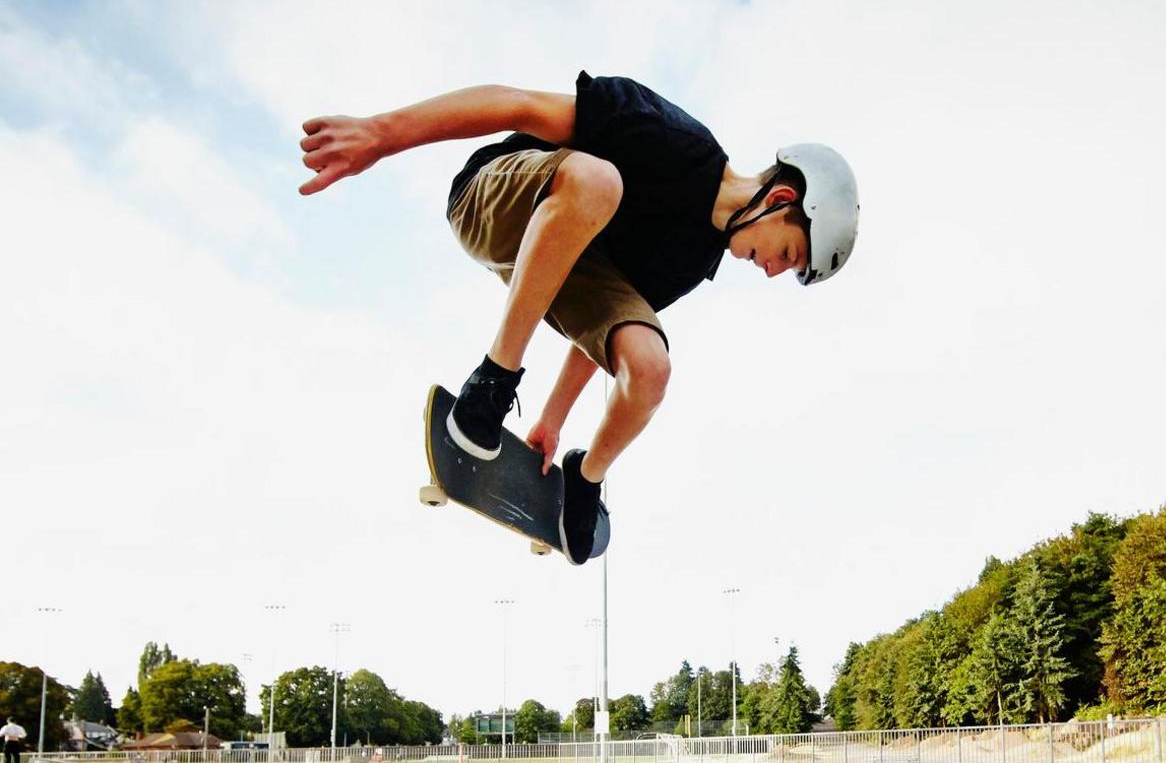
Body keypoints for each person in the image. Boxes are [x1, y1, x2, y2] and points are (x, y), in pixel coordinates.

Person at [299, 71, 859, 565]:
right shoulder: (672, 139)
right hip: (497, 198)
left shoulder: (694, 259)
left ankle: (586, 477)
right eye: (787, 255)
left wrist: (551, 418)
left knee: (648, 365)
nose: (770, 272)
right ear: (781, 198)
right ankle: (494, 377)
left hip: (567, 259)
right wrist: (381, 133)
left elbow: (600, 330)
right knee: (598, 181)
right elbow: (516, 103)